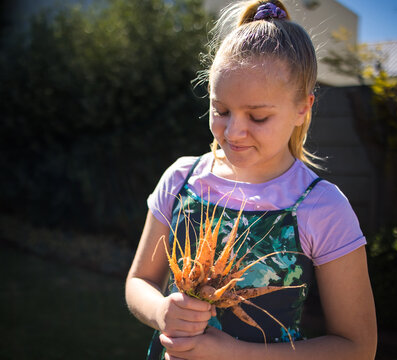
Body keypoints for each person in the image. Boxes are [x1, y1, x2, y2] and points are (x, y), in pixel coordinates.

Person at [125, 1, 377, 359]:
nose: (233, 132)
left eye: (258, 117)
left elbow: (358, 347)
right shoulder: (182, 179)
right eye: (221, 110)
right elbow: (139, 282)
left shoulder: (322, 207)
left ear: (303, 108)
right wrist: (160, 312)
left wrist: (234, 353)